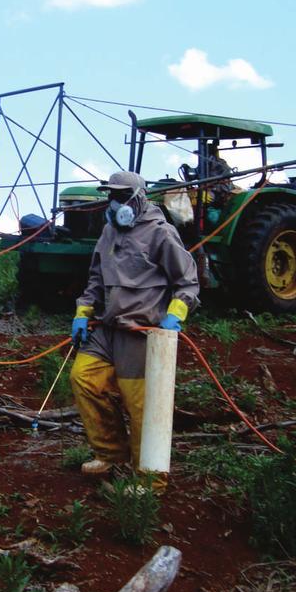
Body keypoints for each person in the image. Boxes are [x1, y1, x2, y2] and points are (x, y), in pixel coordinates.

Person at [69, 170, 199, 490]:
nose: (114, 204)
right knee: (83, 378)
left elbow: (187, 283)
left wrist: (173, 318)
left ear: (139, 199)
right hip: (107, 328)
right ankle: (111, 455)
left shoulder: (161, 234)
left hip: (141, 331)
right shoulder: (109, 233)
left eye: (121, 197)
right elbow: (95, 280)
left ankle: (151, 479)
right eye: (111, 197)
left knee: (141, 406)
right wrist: (82, 313)